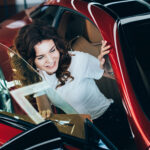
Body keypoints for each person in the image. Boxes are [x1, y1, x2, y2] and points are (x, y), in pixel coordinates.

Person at [13, 20, 131, 148]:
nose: (50, 60)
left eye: (52, 50)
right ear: (31, 60)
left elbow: (113, 75)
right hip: (81, 129)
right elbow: (44, 108)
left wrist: (107, 66)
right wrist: (41, 99)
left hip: (108, 121)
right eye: (41, 57)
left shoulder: (78, 60)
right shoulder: (37, 74)